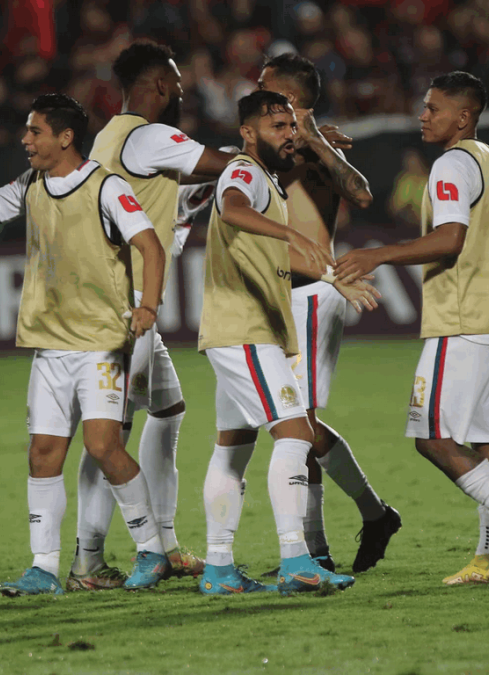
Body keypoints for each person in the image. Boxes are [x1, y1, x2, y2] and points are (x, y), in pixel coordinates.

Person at [0, 93, 171, 593]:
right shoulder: (31, 184)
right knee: (43, 453)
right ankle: (44, 568)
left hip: (99, 343)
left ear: (64, 137)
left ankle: (152, 552)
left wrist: (148, 307)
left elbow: (150, 246)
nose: (25, 140)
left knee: (103, 447)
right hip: (50, 344)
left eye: (35, 131)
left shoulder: (106, 187)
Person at [335, 71, 489, 585]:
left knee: (432, 436)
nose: (422, 115)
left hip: (464, 319)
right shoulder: (488, 158)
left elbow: (451, 238)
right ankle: (486, 557)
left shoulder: (452, 164)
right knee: (488, 441)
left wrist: (378, 254)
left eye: (433, 108)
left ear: (463, 117)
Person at [69, 40, 236, 590]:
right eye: (180, 89)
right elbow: (228, 162)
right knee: (108, 432)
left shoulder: (109, 137)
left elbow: (166, 199)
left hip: (120, 301)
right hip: (125, 308)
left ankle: (164, 541)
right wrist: (284, 145)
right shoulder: (151, 135)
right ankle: (89, 559)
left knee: (167, 408)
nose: (183, 97)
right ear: (161, 87)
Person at [198, 90, 379, 595]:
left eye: (290, 125)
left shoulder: (270, 179)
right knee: (296, 434)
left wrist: (327, 271)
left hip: (238, 330)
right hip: (245, 330)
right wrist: (291, 236)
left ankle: (217, 569)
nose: (288, 133)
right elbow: (232, 208)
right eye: (277, 126)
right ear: (249, 132)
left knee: (231, 449)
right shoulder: (245, 172)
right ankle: (297, 559)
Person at [257, 52, 402, 575]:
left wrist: (315, 137)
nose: (254, 94)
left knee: (299, 424)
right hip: (273, 297)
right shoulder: (271, 147)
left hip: (311, 295)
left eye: (265, 88)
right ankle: (361, 522)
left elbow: (361, 194)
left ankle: (338, 535)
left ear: (291, 100)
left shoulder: (315, 153)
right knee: (295, 425)